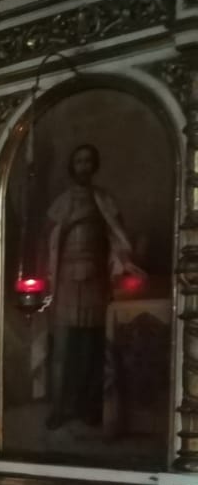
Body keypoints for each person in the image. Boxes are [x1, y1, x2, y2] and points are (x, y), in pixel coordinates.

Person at [41, 143, 145, 430]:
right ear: (72, 166)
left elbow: (118, 237)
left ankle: (89, 407)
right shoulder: (62, 202)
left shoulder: (104, 200)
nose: (84, 166)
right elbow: (48, 238)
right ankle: (60, 408)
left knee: (92, 348)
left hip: (96, 281)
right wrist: (71, 222)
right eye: (79, 161)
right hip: (65, 281)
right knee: (64, 348)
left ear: (94, 165)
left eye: (88, 161)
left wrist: (121, 266)